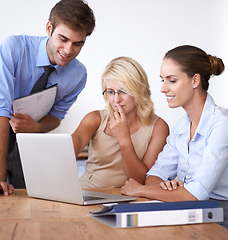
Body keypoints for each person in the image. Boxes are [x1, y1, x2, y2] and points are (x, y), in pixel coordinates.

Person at [121, 46, 228, 240]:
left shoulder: (225, 126)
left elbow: (194, 195)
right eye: (162, 80)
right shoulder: (182, 126)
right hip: (194, 220)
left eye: (171, 80)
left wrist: (139, 190)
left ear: (195, 80)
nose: (163, 88)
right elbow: (155, 175)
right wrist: (166, 187)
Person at [0, 0, 95, 197]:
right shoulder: (12, 48)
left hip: (30, 139)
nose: (68, 50)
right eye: (63, 39)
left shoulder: (79, 74)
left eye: (78, 43)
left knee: (29, 202)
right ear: (49, 28)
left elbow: (56, 116)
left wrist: (36, 127)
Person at [72, 56, 169, 188]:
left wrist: (124, 140)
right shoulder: (95, 118)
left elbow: (142, 180)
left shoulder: (158, 127)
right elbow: (74, 141)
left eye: (123, 91)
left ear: (139, 90)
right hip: (88, 192)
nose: (116, 99)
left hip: (130, 198)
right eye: (111, 92)